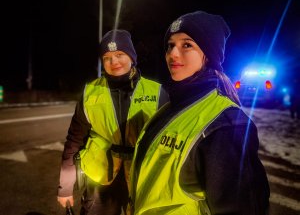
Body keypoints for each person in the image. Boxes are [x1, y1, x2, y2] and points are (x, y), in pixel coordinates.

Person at [129, 11, 270, 215]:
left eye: (187, 45)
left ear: (208, 55)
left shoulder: (225, 124)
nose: (173, 54)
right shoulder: (171, 107)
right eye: (170, 45)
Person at [57, 29, 169, 215]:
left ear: (132, 57)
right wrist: (65, 188)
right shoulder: (90, 92)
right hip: (100, 182)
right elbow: (74, 141)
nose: (114, 62)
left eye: (119, 54)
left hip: (141, 178)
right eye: (107, 57)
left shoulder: (157, 93)